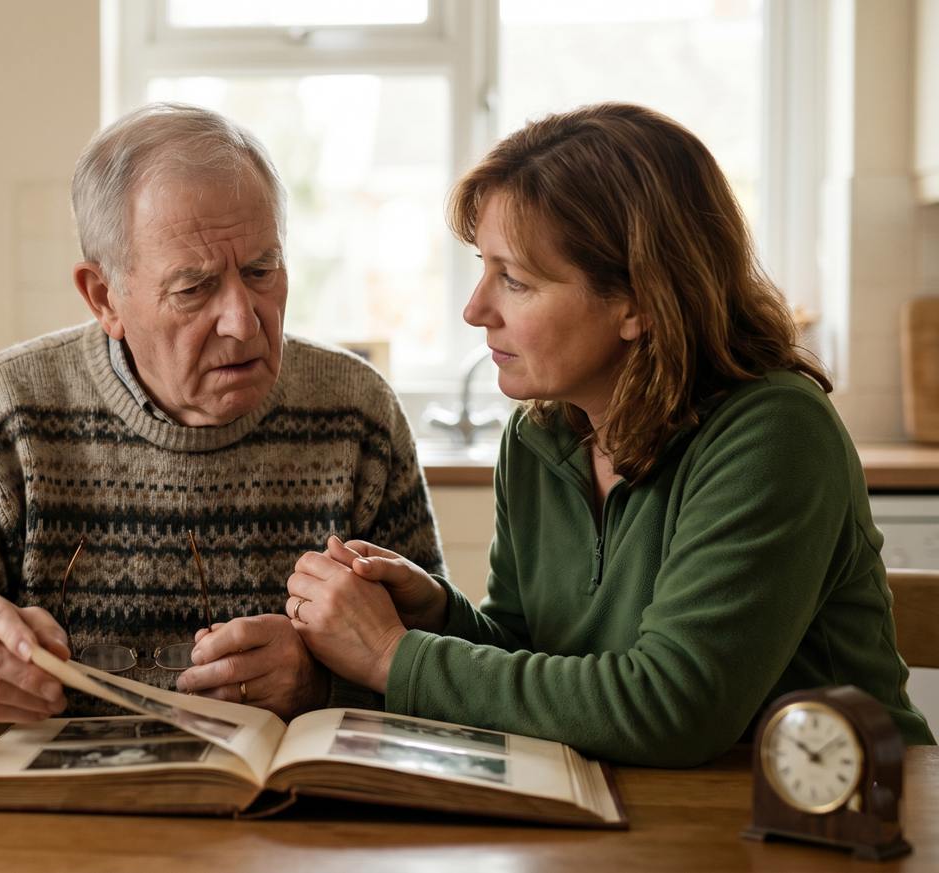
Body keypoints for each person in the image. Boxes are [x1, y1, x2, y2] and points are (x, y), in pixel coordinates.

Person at [286, 102, 935, 767]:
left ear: (639, 302)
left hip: (837, 815)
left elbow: (673, 707)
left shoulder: (773, 433)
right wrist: (439, 617)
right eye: (484, 266)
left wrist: (394, 656)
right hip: (635, 809)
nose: (475, 308)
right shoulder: (539, 436)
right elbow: (532, 656)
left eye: (515, 279)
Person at [0, 103, 443, 738]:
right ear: (104, 297)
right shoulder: (6, 413)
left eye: (262, 271)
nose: (243, 319)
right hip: (53, 823)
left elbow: (441, 663)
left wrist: (321, 686)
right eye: (194, 289)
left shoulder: (358, 413)